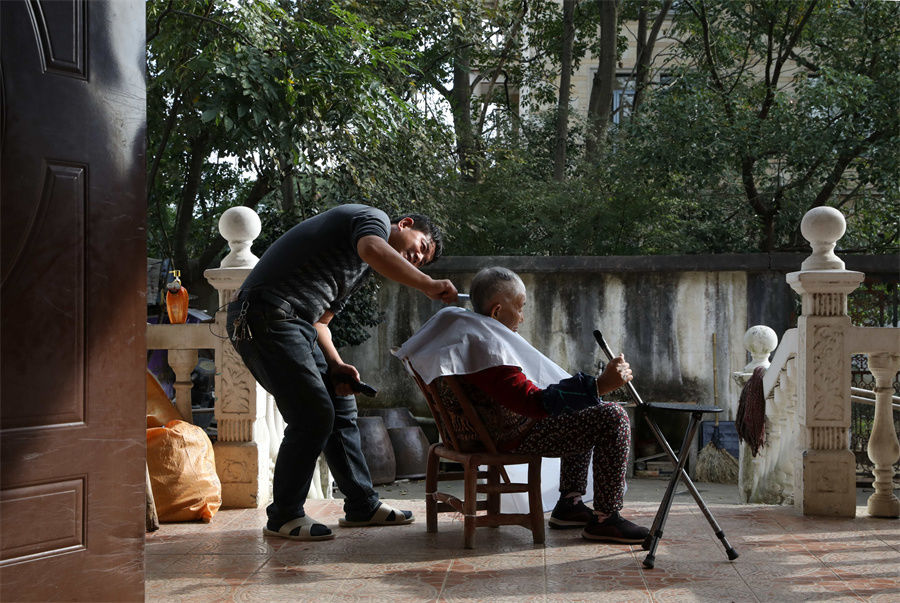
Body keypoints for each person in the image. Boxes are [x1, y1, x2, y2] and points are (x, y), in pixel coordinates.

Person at [226, 203, 457, 541]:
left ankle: (362, 504)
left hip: (297, 324)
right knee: (312, 414)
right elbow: (373, 248)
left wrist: (336, 365)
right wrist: (426, 284)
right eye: (420, 247)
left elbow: (321, 323)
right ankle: (284, 516)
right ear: (405, 224)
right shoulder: (371, 221)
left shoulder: (361, 269)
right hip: (264, 315)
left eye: (421, 261)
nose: (415, 258)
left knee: (340, 405)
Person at [396, 267, 648, 544]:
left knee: (583, 405)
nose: (522, 317)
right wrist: (599, 386)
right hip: (510, 435)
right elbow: (533, 404)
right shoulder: (487, 346)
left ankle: (569, 505)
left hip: (484, 432)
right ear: (496, 311)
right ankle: (605, 518)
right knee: (612, 416)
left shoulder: (466, 332)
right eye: (520, 308)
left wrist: (588, 392)